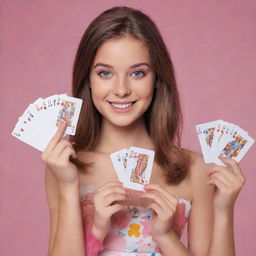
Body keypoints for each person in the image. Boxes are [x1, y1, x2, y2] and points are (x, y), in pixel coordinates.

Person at [41, 6, 245, 256]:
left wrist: (222, 211)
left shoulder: (195, 170)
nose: (121, 89)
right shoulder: (65, 167)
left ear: (157, 78)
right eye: (105, 73)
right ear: (88, 80)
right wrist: (71, 189)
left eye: (137, 73)